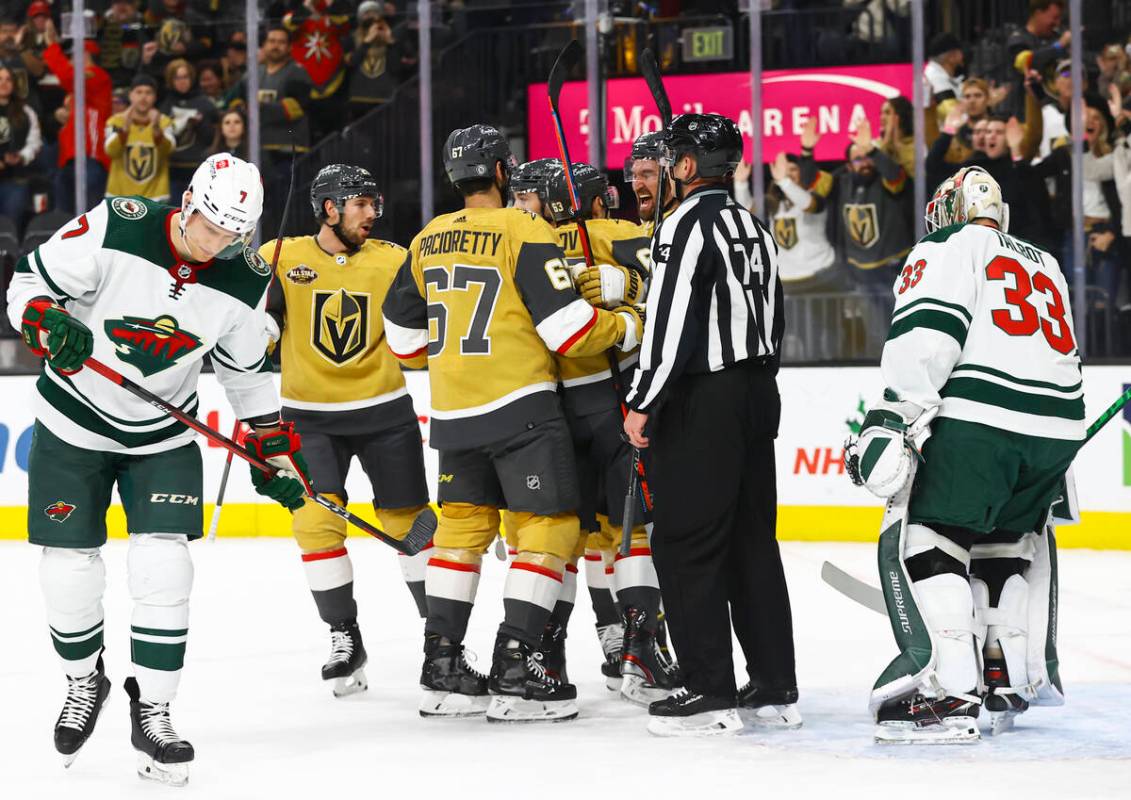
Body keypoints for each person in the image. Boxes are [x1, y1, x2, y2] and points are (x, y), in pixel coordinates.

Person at [5, 152, 313, 785]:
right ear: (191, 204)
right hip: (72, 419)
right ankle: (83, 679)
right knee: (67, 568)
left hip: (164, 434)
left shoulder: (245, 276)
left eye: (234, 235)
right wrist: (49, 320)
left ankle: (157, 709)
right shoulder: (119, 223)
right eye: (211, 228)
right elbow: (25, 288)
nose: (218, 243)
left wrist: (271, 453)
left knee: (165, 566)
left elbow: (248, 376)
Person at [381, 124, 644, 723]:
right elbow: (569, 331)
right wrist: (628, 325)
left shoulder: (426, 239)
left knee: (461, 533)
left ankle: (442, 667)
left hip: (451, 414)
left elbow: (402, 343)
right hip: (522, 407)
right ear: (502, 172)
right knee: (548, 529)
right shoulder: (522, 229)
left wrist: (451, 358)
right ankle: (518, 666)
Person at [845, 166, 1083, 743]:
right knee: (1006, 547)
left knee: (930, 541)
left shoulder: (947, 244)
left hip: (980, 420)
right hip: (1055, 429)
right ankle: (1003, 676)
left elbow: (927, 332)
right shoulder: (1045, 262)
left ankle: (950, 693)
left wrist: (890, 418)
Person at [622, 113, 799, 737]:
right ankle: (776, 686)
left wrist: (642, 400)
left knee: (688, 543)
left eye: (671, 158)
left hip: (703, 401)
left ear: (690, 166)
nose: (664, 168)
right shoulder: (752, 225)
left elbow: (670, 323)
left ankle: (707, 689)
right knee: (753, 541)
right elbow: (776, 320)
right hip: (756, 393)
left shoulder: (682, 224)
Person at [262, 164, 432, 697]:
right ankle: (344, 636)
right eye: (359, 203)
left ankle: (442, 638)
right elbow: (234, 309)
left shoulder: (396, 258)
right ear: (328, 208)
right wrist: (253, 329)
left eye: (374, 202)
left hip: (385, 411)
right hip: (308, 418)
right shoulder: (280, 256)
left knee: (411, 526)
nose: (372, 213)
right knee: (314, 524)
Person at [510, 157, 675, 706]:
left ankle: (548, 652)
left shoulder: (525, 246)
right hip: (610, 401)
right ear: (599, 199)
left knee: (565, 538)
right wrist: (628, 281)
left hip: (546, 411)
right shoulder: (622, 233)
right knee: (632, 531)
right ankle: (640, 649)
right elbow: (676, 287)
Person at [41, 29, 111, 213]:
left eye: (72, 57)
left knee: (90, 215)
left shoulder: (97, 76)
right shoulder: (77, 92)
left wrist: (52, 47)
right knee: (64, 218)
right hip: (69, 160)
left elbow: (68, 76)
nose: (70, 62)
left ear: (84, 55)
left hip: (91, 158)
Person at [104, 72, 175, 202]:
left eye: (148, 92)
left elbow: (168, 150)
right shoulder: (115, 122)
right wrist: (124, 129)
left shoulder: (164, 122)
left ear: (155, 97)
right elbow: (111, 151)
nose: (143, 97)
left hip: (156, 197)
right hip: (119, 197)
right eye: (139, 92)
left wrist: (156, 129)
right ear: (131, 95)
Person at [159, 59, 218, 201]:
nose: (182, 81)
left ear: (191, 78)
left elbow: (212, 138)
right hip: (171, 169)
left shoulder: (205, 104)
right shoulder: (165, 104)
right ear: (170, 80)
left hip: (197, 168)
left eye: (185, 77)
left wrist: (200, 124)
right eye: (177, 78)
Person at [0, 64, 42, 223]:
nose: (4, 83)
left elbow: (35, 142)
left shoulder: (26, 112)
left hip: (15, 179)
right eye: (0, 79)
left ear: (14, 85)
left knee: (11, 224)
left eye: (8, 79)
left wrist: (21, 156)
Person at [624, 130, 678, 234]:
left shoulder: (682, 230)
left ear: (672, 176)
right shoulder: (642, 231)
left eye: (647, 175)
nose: (637, 186)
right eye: (634, 176)